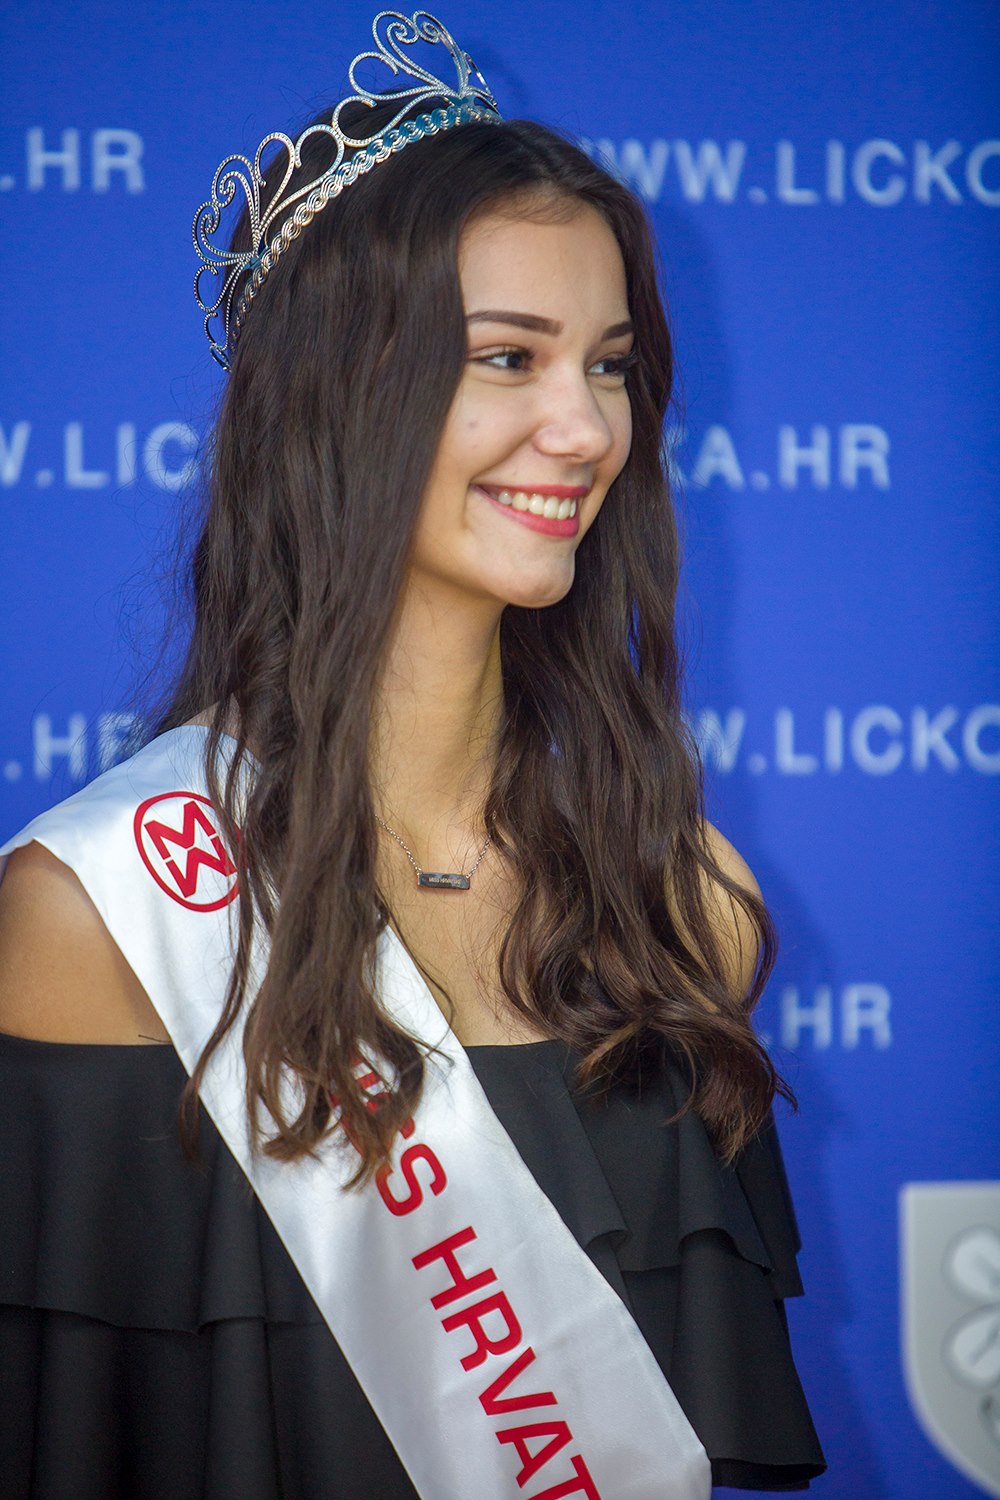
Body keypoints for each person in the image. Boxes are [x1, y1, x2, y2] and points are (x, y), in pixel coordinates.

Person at [0, 12, 826, 1498]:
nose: (583, 429)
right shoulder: (99, 918)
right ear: (335, 396)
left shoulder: (684, 904)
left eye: (612, 367)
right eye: (507, 357)